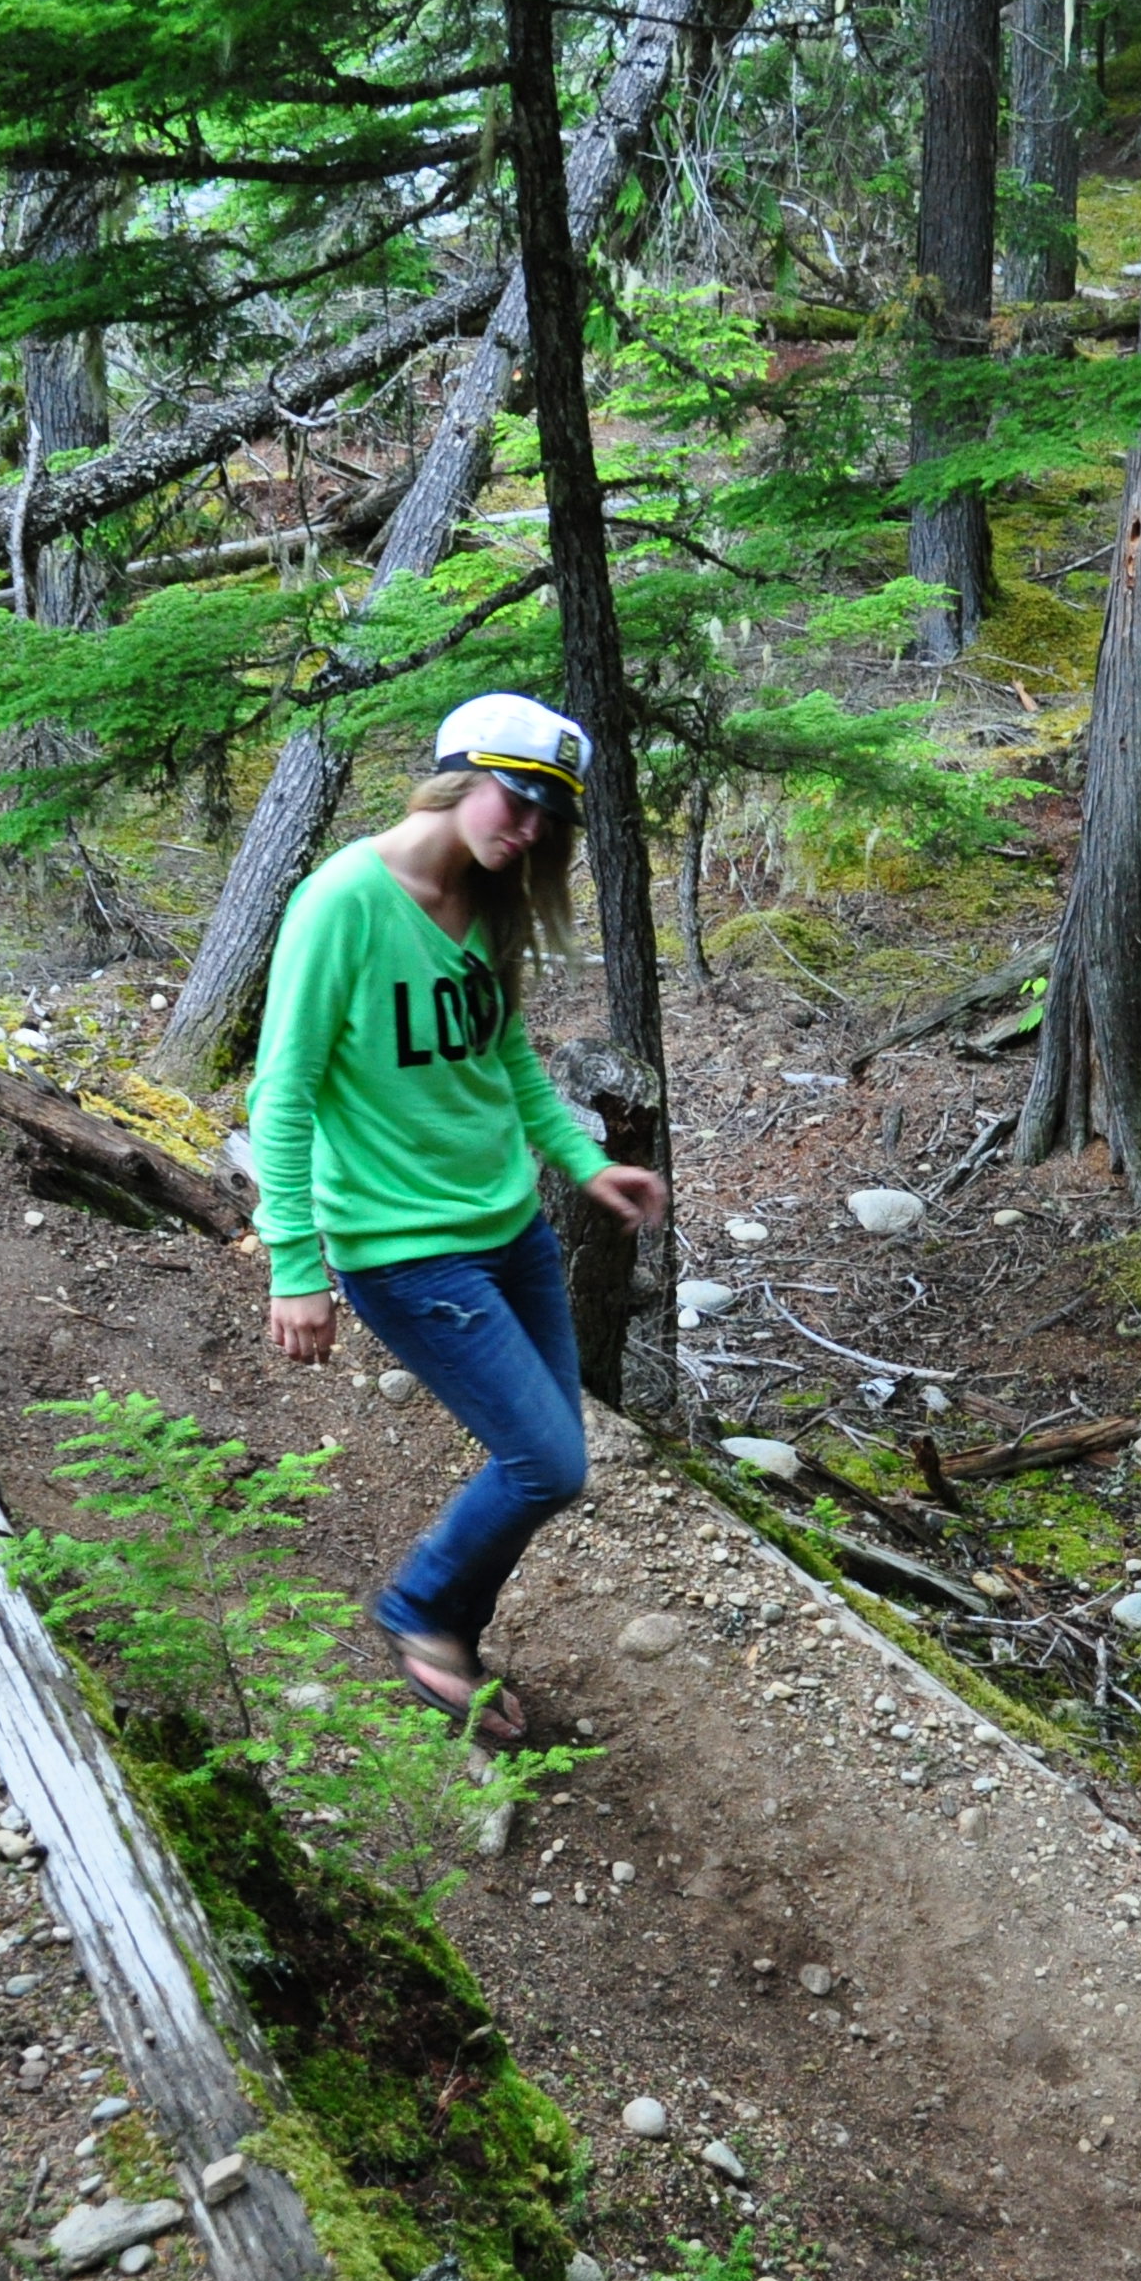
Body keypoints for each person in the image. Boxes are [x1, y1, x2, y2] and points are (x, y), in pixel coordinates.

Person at [246, 693, 666, 1743]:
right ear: (456, 776)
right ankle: (422, 1609)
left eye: (545, 820)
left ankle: (449, 1635)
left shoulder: (484, 899)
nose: (523, 832)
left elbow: (505, 1055)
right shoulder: (344, 900)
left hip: (509, 1228)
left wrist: (583, 1162)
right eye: (514, 802)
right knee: (549, 1461)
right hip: (402, 1247)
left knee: (546, 1448)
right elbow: (281, 1093)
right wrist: (294, 1264)